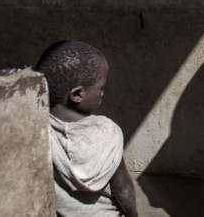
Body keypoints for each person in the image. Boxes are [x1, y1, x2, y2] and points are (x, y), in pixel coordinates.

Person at [36, 40, 138, 217]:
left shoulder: (40, 132)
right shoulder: (107, 131)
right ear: (77, 95)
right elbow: (123, 190)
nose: (102, 93)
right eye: (101, 87)